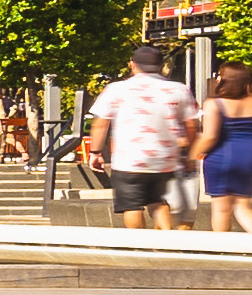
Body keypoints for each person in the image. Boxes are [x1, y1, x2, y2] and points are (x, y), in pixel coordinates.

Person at [80, 46, 197, 227]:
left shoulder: (116, 89)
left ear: (132, 65)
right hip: (164, 160)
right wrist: (189, 153)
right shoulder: (179, 89)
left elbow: (101, 123)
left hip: (129, 160)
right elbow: (191, 125)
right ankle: (166, 241)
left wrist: (95, 152)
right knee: (157, 201)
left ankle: (140, 245)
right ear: (161, 65)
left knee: (131, 205)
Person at [193, 60, 252, 235]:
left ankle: (223, 248)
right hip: (251, 154)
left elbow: (210, 136)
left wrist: (193, 153)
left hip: (221, 155)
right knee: (244, 205)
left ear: (224, 79)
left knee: (221, 208)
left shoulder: (213, 103)